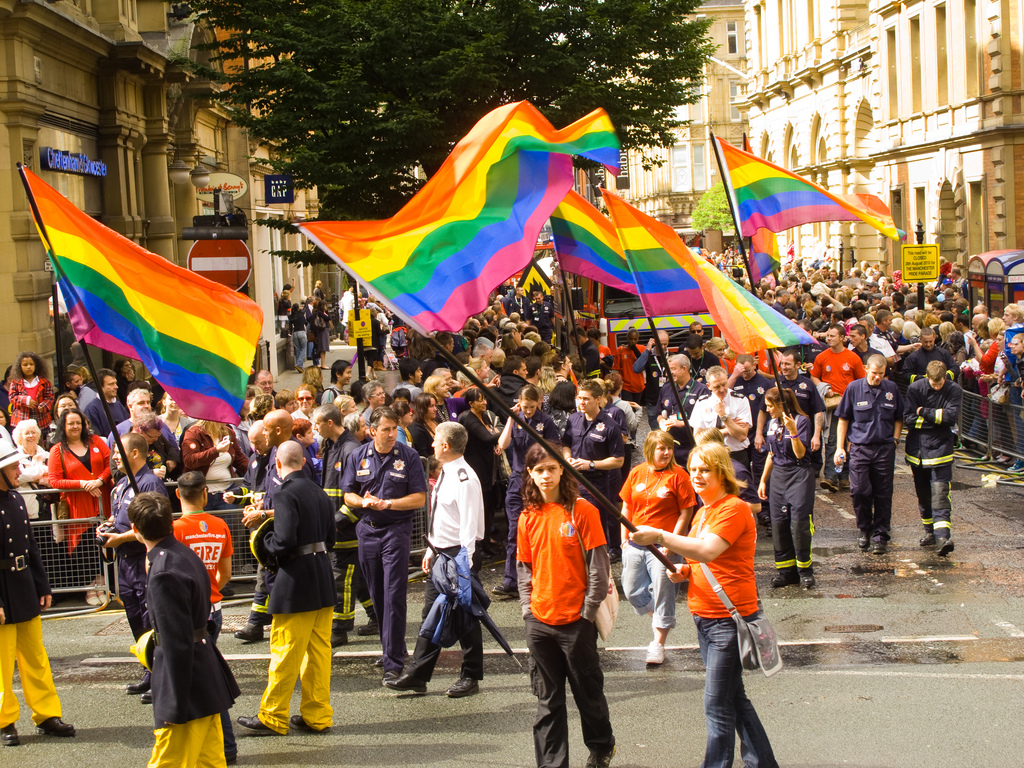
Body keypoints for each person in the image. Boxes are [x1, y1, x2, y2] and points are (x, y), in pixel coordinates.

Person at [632, 442, 778, 768]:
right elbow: (704, 561)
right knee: (734, 700)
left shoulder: (733, 508)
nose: (696, 475)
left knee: (716, 704)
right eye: (693, 469)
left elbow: (708, 550)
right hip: (705, 618)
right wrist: (685, 571)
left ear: (721, 473)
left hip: (728, 620)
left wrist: (660, 535)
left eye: (704, 470)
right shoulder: (702, 512)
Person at [516, 443, 615, 768]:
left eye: (551, 468)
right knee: (548, 701)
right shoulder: (527, 516)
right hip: (540, 623)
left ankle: (601, 747)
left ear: (562, 470)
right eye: (539, 469)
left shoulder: (583, 510)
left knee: (588, 694)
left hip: (576, 622)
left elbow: (599, 569)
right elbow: (524, 569)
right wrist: (528, 612)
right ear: (530, 473)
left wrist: (586, 615)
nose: (545, 476)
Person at [128, 492, 239, 765]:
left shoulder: (163, 571)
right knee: (209, 760)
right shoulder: (184, 554)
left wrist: (172, 701)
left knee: (169, 760)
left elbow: (175, 640)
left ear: (135, 530)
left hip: (186, 681)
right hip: (204, 670)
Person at [238, 442, 336, 736]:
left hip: (296, 581)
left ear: (278, 465)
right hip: (321, 576)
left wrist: (261, 542)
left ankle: (273, 715)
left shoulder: (284, 493)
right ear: (304, 462)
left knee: (285, 650)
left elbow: (282, 541)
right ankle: (317, 715)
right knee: (318, 652)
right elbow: (330, 538)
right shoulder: (319, 492)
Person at [385, 422, 486, 697]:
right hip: (443, 552)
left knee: (465, 617)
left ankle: (470, 676)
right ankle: (418, 675)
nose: (431, 445)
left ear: (445, 445)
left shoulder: (464, 477)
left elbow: (468, 525)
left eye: (435, 441)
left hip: (457, 556)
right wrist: (432, 549)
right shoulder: (447, 472)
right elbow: (442, 518)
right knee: (431, 614)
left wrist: (463, 563)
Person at [341, 407, 427, 683]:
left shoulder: (409, 456)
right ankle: (392, 647)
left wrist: (388, 503)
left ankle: (394, 662)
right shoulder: (358, 455)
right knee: (377, 594)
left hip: (396, 530)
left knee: (393, 596)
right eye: (386, 429)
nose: (392, 434)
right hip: (367, 531)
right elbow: (347, 494)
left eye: (394, 428)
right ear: (372, 430)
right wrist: (363, 502)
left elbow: (419, 498)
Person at [0, 437, 76, 747]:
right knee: (2, 664)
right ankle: (4, 721)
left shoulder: (17, 499)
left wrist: (42, 586)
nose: (20, 470)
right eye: (13, 467)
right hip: (2, 592)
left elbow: (31, 546)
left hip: (23, 586)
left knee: (35, 657)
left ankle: (46, 715)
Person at [171, 472, 237, 762]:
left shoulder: (175, 529)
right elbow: (226, 573)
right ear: (205, 493)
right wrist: (209, 590)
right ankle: (221, 746)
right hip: (213, 607)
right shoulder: (219, 524)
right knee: (207, 675)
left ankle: (223, 746)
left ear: (178, 495)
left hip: (188, 613)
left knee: (199, 682)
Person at [100, 432, 169, 700]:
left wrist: (120, 538)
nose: (114, 456)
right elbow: (119, 516)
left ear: (135, 453)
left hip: (144, 561)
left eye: (119, 452)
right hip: (125, 564)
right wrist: (108, 526)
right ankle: (148, 669)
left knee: (150, 618)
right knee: (134, 619)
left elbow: (153, 527)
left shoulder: (149, 485)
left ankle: (160, 675)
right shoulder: (122, 484)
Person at [619, 430, 695, 665]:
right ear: (649, 450)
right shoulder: (637, 472)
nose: (666, 452)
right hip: (634, 543)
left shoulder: (678, 475)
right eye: (661, 448)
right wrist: (623, 540)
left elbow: (686, 512)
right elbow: (627, 507)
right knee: (631, 591)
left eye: (669, 448)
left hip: (663, 546)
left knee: (664, 593)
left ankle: (658, 644)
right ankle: (661, 617)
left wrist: (673, 542)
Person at [314, 403, 376, 646]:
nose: (314, 427)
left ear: (330, 423)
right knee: (355, 579)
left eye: (317, 423)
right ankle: (377, 616)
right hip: (335, 525)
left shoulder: (350, 449)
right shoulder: (331, 446)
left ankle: (339, 629)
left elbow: (359, 493)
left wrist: (338, 521)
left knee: (342, 577)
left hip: (346, 528)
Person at [834, 354, 904, 554]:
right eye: (874, 373)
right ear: (866, 369)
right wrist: (840, 447)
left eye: (881, 374)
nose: (877, 378)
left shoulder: (891, 389)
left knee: (883, 493)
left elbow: (899, 417)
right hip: (859, 448)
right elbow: (843, 419)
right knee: (859, 491)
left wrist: (895, 440)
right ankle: (865, 528)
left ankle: (881, 534)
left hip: (883, 448)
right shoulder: (854, 389)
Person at [46, 408, 111, 599]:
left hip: (102, 500)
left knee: (104, 541)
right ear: (63, 426)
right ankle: (91, 586)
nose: (75, 426)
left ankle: (103, 584)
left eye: (78, 423)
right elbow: (55, 481)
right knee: (85, 546)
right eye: (71, 423)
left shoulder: (96, 441)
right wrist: (83, 484)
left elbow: (110, 465)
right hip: (78, 505)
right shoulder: (56, 450)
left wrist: (99, 481)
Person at [758, 387, 816, 588]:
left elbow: (800, 454)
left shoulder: (802, 421)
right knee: (779, 523)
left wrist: (793, 432)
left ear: (781, 404)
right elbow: (771, 454)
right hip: (779, 476)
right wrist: (763, 480)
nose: (767, 410)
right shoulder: (772, 423)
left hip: (799, 474)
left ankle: (805, 570)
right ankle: (786, 572)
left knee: (799, 523)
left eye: (770, 406)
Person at [904, 360, 962, 556]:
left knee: (940, 493)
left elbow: (950, 417)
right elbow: (909, 419)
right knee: (923, 494)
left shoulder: (953, 390)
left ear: (945, 377)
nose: (937, 387)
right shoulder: (915, 388)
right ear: (926, 378)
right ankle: (929, 532)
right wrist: (936, 419)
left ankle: (943, 536)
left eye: (940, 383)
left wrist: (924, 412)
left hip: (941, 450)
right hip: (917, 451)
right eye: (934, 384)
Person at [562, 379, 624, 556]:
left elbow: (618, 460)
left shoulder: (610, 426)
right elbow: (566, 443)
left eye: (586, 399)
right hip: (573, 483)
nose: (581, 402)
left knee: (596, 526)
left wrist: (590, 464)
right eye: (579, 398)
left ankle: (601, 561)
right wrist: (567, 458)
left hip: (597, 483)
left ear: (598, 399)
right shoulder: (573, 419)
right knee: (572, 524)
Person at [811, 325, 866, 493]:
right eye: (827, 336)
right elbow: (814, 375)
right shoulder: (821, 357)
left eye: (832, 336)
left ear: (842, 337)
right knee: (832, 440)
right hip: (832, 406)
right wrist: (823, 388)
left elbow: (861, 379)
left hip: (851, 406)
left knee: (851, 441)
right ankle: (830, 476)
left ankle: (845, 477)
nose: (828, 339)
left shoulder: (853, 358)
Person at [457, 388, 500, 546]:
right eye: (480, 400)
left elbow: (491, 433)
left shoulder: (483, 416)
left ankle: (486, 537)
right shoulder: (469, 419)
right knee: (480, 504)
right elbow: (487, 436)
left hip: (487, 464)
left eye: (484, 399)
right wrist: (507, 430)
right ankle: (481, 541)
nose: (484, 402)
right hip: (477, 466)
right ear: (471, 403)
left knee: (488, 503)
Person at [656, 355, 710, 468]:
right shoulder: (666, 388)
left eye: (673, 369)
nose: (669, 372)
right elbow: (659, 413)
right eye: (668, 369)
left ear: (684, 369)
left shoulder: (701, 390)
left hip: (691, 446)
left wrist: (682, 423)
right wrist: (661, 421)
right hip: (670, 447)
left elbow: (707, 421)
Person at [181, 421, 248, 511]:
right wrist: (216, 450)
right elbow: (189, 460)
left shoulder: (229, 432)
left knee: (227, 524)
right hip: (201, 493)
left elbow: (240, 459)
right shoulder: (193, 433)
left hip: (226, 492)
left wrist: (256, 472)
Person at [8, 353, 54, 431]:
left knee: (41, 439)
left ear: (36, 366)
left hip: (41, 418)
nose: (29, 367)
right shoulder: (16, 382)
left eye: (31, 364)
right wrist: (26, 401)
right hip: (22, 418)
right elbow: (12, 397)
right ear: (20, 367)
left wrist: (43, 406)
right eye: (25, 365)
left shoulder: (44, 381)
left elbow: (49, 397)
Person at [612, 329, 647, 404]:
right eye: (631, 339)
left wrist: (634, 349)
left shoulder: (642, 349)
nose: (633, 341)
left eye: (635, 339)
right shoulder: (620, 350)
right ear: (627, 338)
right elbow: (616, 369)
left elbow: (643, 363)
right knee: (629, 409)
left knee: (636, 408)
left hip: (639, 386)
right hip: (626, 387)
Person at [408, 393, 439, 458]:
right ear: (421, 408)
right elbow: (423, 456)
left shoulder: (437, 420)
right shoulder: (415, 428)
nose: (435, 409)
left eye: (435, 405)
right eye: (431, 406)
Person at [289, 302, 308, 372]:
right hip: (301, 332)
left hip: (295, 333)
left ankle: (300, 367)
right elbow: (305, 322)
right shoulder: (301, 315)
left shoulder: (291, 316)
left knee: (297, 350)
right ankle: (299, 364)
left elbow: (290, 327)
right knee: (303, 349)